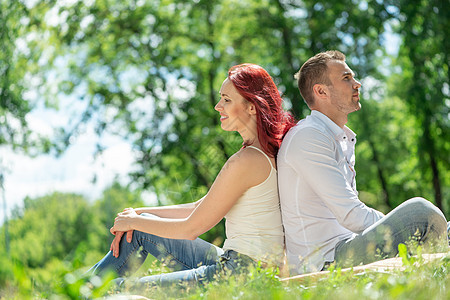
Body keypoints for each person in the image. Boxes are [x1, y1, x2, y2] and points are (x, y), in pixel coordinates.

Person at [87, 63, 296, 287]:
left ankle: (77, 291)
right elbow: (200, 207)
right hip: (241, 266)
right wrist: (136, 215)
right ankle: (76, 288)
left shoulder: (247, 161)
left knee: (113, 289)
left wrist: (133, 220)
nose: (218, 106)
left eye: (226, 99)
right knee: (139, 228)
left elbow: (190, 229)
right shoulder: (259, 154)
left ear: (252, 106)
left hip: (242, 276)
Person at [277, 50, 448, 275]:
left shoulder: (339, 138)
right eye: (346, 78)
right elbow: (352, 215)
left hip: (349, 245)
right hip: (325, 262)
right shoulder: (309, 136)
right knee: (421, 212)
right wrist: (400, 224)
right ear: (321, 91)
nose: (357, 84)